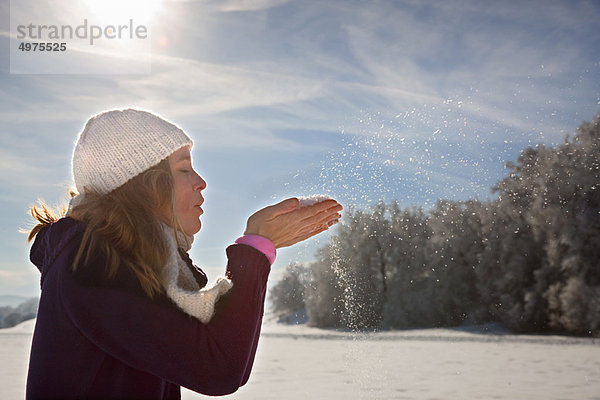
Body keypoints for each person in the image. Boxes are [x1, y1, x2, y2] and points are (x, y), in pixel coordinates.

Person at [25, 109, 342, 400]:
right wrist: (256, 247)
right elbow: (218, 366)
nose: (201, 182)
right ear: (143, 185)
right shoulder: (91, 264)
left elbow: (221, 354)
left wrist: (260, 246)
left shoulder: (137, 264)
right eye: (184, 169)